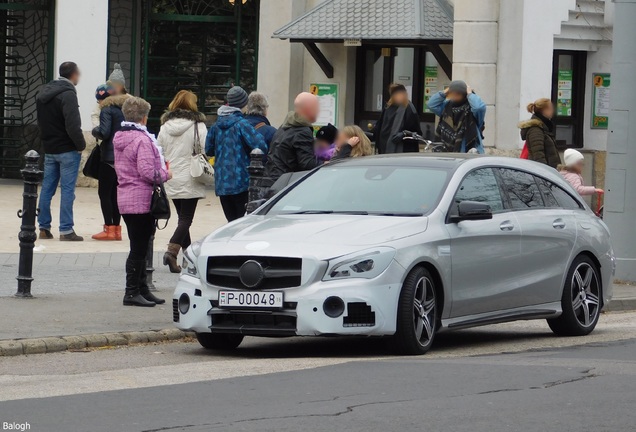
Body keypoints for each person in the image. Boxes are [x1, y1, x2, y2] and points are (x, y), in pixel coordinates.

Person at [113, 97, 171, 307]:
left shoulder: (120, 136)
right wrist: (165, 173)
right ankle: (131, 292)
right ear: (144, 117)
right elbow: (147, 171)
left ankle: (142, 289)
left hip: (126, 197)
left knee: (141, 243)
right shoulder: (142, 140)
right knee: (139, 247)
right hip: (141, 198)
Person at [158, 90, 208, 273]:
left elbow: (159, 150)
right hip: (191, 175)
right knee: (186, 219)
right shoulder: (198, 126)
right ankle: (172, 252)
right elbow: (205, 147)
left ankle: (188, 258)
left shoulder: (165, 126)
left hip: (171, 175)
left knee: (182, 219)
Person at [36, 61, 86, 241]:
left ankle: (43, 227)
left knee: (47, 189)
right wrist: (80, 145)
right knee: (67, 190)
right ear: (73, 74)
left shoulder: (43, 93)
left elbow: (41, 122)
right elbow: (73, 125)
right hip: (67, 149)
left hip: (50, 148)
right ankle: (66, 230)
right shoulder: (68, 94)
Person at [205, 86, 267, 222]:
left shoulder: (216, 126)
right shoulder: (242, 125)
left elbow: (208, 149)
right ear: (243, 104)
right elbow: (261, 146)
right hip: (241, 182)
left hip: (222, 184)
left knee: (231, 222)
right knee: (241, 223)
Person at [90, 84, 130, 241]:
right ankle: (117, 230)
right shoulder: (124, 109)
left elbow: (104, 132)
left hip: (108, 157)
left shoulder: (106, 109)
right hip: (122, 157)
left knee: (104, 193)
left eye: (99, 100)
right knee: (115, 194)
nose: (98, 103)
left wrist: (95, 131)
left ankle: (108, 229)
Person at [266, 92, 321, 183]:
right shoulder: (302, 131)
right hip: (286, 184)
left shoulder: (284, 127)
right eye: (316, 108)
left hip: (274, 181)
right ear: (308, 109)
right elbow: (306, 163)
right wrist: (326, 163)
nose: (319, 111)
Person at [427, 80, 486, 154]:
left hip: (468, 152)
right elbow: (431, 105)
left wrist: (470, 94)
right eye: (452, 93)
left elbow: (479, 108)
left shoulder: (471, 110)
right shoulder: (447, 107)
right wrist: (446, 91)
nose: (454, 96)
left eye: (457, 94)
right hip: (447, 151)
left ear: (464, 94)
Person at [374, 84, 423, 154]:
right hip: (384, 148)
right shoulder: (388, 107)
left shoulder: (409, 109)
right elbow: (379, 127)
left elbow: (417, 133)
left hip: (402, 150)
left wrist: (404, 134)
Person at [519, 98, 561, 168]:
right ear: (544, 110)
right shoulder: (536, 130)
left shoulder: (544, 128)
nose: (553, 111)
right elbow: (538, 156)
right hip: (543, 173)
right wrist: (545, 174)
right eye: (551, 108)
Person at [92, 63, 127, 127]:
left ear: (122, 87)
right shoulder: (104, 99)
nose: (114, 88)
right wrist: (98, 128)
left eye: (117, 86)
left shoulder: (129, 100)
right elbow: (95, 115)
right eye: (111, 86)